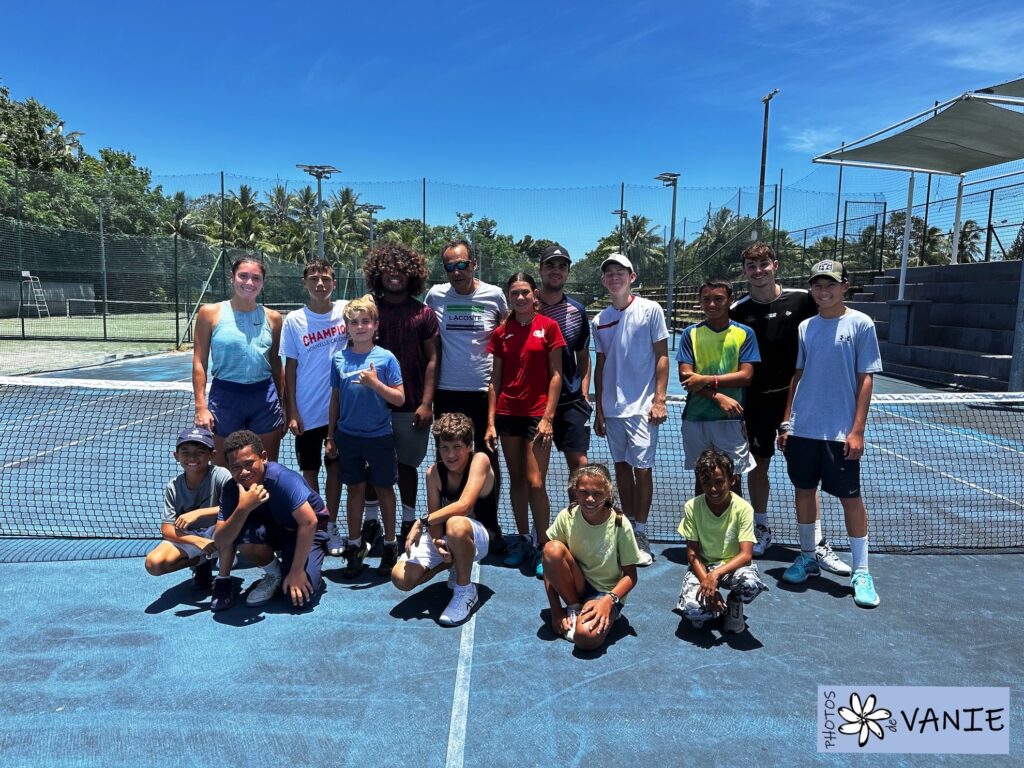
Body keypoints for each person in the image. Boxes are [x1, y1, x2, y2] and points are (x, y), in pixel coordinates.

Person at [730, 242, 848, 573]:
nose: (758, 270)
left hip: (797, 401)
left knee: (805, 475)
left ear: (775, 265)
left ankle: (815, 543)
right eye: (751, 265)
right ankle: (762, 528)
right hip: (755, 403)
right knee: (758, 467)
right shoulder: (738, 310)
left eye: (763, 264)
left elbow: (829, 326)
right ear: (745, 271)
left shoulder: (803, 300)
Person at [777, 260, 883, 608]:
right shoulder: (806, 327)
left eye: (831, 285)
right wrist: (786, 422)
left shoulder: (861, 324)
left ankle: (862, 570)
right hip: (804, 429)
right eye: (818, 286)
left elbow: (866, 378)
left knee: (851, 499)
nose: (824, 292)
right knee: (804, 492)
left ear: (844, 286)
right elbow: (797, 375)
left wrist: (857, 430)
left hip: (840, 434)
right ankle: (808, 557)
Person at [425, 239, 508, 545]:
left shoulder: (495, 296)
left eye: (462, 265)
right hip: (446, 392)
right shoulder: (435, 296)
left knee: (487, 460)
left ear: (473, 264)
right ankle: (451, 524)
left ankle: (490, 526)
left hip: (483, 392)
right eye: (450, 266)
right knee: (448, 458)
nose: (456, 272)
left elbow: (505, 333)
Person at [485, 272, 565, 577]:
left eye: (525, 293)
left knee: (536, 483)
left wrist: (548, 417)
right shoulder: (501, 333)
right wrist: (491, 422)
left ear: (535, 296)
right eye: (514, 293)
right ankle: (522, 541)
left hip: (537, 416)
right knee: (516, 481)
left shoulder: (549, 328)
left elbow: (556, 375)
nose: (520, 298)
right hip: (507, 414)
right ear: (509, 297)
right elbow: (495, 380)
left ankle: (542, 543)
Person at [360, 242, 440, 548]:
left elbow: (433, 359)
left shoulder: (424, 314)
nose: (395, 275)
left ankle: (408, 521)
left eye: (401, 270)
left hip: (410, 407)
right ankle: (370, 523)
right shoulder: (368, 311)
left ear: (413, 275)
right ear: (378, 274)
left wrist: (425, 403)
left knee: (406, 467)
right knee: (370, 468)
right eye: (388, 270)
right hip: (371, 407)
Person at [591, 253, 668, 566]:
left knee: (643, 469)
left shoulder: (650, 310)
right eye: (609, 273)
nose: (614, 277)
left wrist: (659, 399)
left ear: (631, 277)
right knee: (621, 467)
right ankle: (628, 526)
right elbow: (601, 365)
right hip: (612, 410)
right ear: (604, 280)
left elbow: (662, 356)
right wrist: (598, 409)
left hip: (643, 409)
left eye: (619, 272)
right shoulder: (600, 320)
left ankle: (641, 530)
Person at [325, 296, 405, 579]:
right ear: (346, 327)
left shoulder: (386, 358)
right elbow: (335, 400)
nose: (360, 327)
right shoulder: (338, 359)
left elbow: (399, 398)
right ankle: (355, 546)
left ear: (375, 326)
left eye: (365, 322)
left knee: (384, 490)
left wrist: (375, 384)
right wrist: (330, 436)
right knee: (354, 490)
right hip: (348, 437)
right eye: (354, 322)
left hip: (380, 437)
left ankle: (391, 546)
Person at [391, 413, 496, 626]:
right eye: (444, 447)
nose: (450, 455)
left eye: (457, 447)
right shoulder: (434, 473)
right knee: (400, 578)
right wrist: (439, 545)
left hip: (480, 537)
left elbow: (464, 506)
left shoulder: (480, 460)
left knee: (456, 522)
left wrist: (421, 522)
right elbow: (436, 522)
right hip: (447, 536)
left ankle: (466, 591)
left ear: (469, 446)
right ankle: (454, 564)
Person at [211, 430, 331, 613]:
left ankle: (307, 571)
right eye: (235, 467)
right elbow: (221, 540)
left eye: (249, 463)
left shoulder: (282, 479)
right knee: (242, 538)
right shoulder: (231, 489)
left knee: (298, 600)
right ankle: (275, 574)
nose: (243, 472)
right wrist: (243, 508)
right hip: (273, 528)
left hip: (305, 532)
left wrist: (297, 571)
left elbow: (309, 522)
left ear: (264, 457)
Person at [280, 258, 348, 556]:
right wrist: (291, 410)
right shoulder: (294, 321)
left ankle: (330, 525)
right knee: (310, 473)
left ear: (334, 282)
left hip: (340, 412)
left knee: (336, 471)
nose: (320, 283)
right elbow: (289, 368)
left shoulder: (346, 311)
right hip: (307, 413)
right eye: (314, 278)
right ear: (304, 283)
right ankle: (317, 523)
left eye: (326, 278)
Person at [192, 255, 286, 464]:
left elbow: (276, 363)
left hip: (264, 399)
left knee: (266, 468)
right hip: (225, 397)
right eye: (243, 276)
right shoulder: (209, 313)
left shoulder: (274, 318)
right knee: (224, 472)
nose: (249, 283)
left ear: (262, 282)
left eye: (256, 278)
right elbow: (199, 361)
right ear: (232, 278)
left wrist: (283, 405)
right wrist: (201, 406)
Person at [542, 464, 641, 650]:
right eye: (583, 492)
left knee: (585, 638)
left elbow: (631, 577)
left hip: (606, 592)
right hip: (576, 584)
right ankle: (574, 607)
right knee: (551, 549)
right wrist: (556, 610)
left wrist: (608, 601)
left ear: (609, 492)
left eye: (597, 493)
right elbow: (548, 563)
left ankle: (607, 613)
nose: (589, 499)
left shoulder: (621, 524)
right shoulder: (567, 516)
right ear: (574, 491)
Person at [676, 278, 759, 495]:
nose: (712, 305)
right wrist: (718, 397)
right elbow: (686, 378)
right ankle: (701, 530)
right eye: (707, 299)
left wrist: (705, 379)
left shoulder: (745, 334)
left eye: (719, 299)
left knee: (733, 479)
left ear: (730, 300)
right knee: (702, 479)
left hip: (731, 420)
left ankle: (734, 530)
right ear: (700, 301)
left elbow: (746, 376)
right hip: (695, 418)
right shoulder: (690, 334)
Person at [676, 448, 767, 633]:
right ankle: (710, 606)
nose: (713, 489)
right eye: (706, 482)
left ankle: (734, 603)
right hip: (703, 567)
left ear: (732, 480)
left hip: (732, 568)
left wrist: (715, 576)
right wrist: (708, 581)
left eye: (719, 482)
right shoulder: (692, 507)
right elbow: (692, 554)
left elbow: (746, 555)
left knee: (750, 585)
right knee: (694, 612)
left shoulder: (744, 509)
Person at [144, 427, 232, 589]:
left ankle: (223, 580)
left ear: (212, 455)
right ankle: (202, 561)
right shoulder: (174, 486)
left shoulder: (221, 475)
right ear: (176, 456)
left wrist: (199, 513)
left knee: (232, 526)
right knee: (153, 564)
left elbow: (238, 506)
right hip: (192, 535)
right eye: (185, 452)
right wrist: (197, 541)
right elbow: (167, 530)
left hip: (220, 530)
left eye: (199, 452)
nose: (192, 457)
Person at [537, 244, 592, 473]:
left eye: (562, 266)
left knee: (580, 467)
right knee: (536, 475)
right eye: (550, 265)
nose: (556, 270)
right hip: (535, 403)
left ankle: (579, 511)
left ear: (568, 272)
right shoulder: (527, 306)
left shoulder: (577, 311)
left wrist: (585, 395)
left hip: (571, 402)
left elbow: (583, 356)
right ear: (540, 270)